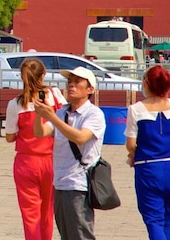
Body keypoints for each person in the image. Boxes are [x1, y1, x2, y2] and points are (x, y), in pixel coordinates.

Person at [32, 67, 105, 240]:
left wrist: (52, 117)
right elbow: (40, 133)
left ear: (90, 89)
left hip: (79, 183)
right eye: (69, 82)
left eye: (77, 82)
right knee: (66, 234)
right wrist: (39, 114)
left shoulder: (94, 114)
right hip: (60, 181)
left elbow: (80, 138)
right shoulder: (62, 112)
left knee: (80, 234)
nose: (71, 85)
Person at [125, 65, 170, 240]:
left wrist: (133, 154)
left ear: (147, 83)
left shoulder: (136, 109)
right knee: (168, 219)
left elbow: (131, 144)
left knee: (153, 219)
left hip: (148, 168)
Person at [5, 59, 66, 240]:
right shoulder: (54, 95)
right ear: (43, 75)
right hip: (51, 159)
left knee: (30, 214)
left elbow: (10, 137)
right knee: (47, 210)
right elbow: (64, 120)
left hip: (26, 161)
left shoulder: (16, 103)